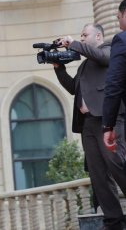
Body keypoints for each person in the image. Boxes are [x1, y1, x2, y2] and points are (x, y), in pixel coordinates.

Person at [55, 23, 126, 230]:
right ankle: (114, 221)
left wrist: (73, 43)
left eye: (85, 35)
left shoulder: (109, 50)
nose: (82, 38)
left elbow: (103, 58)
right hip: (88, 124)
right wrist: (59, 69)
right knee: (98, 175)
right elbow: (72, 89)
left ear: (98, 36)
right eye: (80, 36)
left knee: (118, 166)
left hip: (108, 121)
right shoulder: (84, 65)